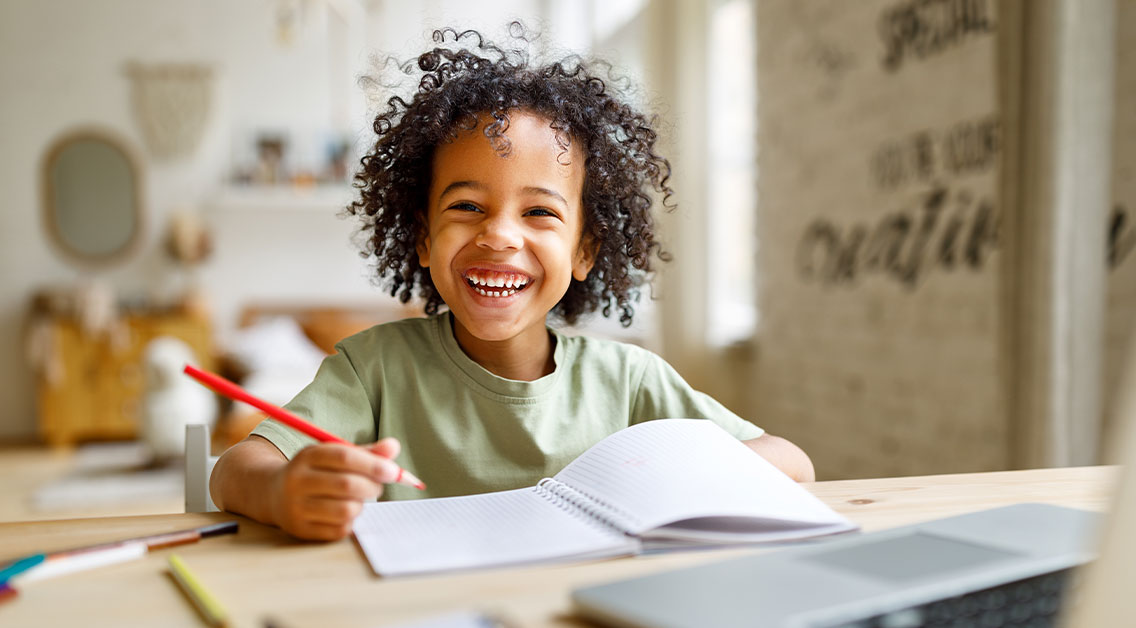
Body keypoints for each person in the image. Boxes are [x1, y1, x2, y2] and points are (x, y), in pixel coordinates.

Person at [209, 24, 814, 541]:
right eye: (467, 206)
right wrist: (282, 490)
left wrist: (670, 478)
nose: (500, 236)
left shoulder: (631, 381)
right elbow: (235, 468)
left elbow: (792, 465)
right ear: (423, 238)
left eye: (540, 212)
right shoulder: (374, 370)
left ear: (584, 250)